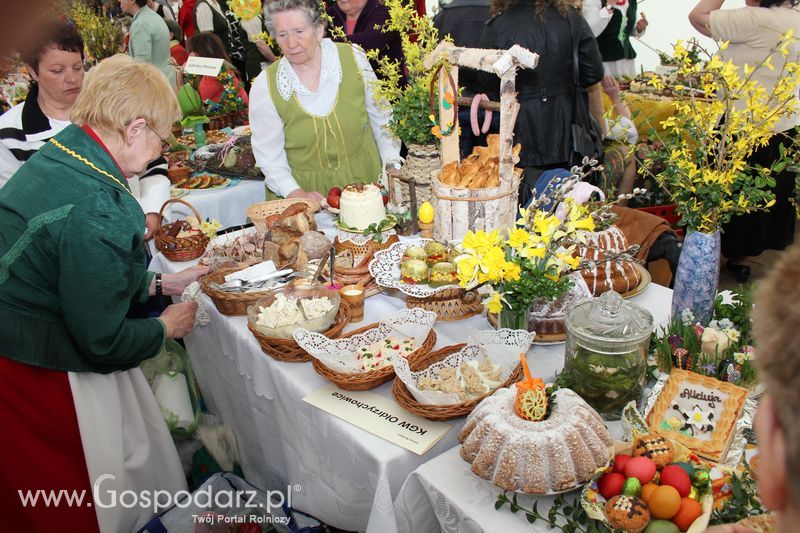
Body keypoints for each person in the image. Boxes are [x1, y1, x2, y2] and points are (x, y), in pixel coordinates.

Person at [0, 54, 208, 533]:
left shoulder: (70, 148)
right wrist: (164, 326)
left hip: (24, 331)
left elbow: (73, 267)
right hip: (38, 363)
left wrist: (157, 282)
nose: (163, 147)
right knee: (82, 494)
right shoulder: (100, 205)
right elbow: (101, 339)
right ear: (134, 129)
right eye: (161, 135)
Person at [689, 0, 800, 282]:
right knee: (759, 199)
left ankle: (709, 259)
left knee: (722, 196)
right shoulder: (795, 17)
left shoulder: (753, 19)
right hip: (782, 125)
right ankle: (742, 259)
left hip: (741, 125)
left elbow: (698, 16)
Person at [250, 0, 401, 201]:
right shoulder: (266, 85)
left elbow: (382, 120)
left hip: (366, 187)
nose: (291, 43)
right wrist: (294, 192)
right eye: (282, 35)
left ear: (319, 30)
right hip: (305, 195)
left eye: (299, 32)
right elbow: (269, 157)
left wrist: (391, 163)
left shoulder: (353, 58)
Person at [478, 0, 604, 197]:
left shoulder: (498, 26)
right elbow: (593, 73)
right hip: (569, 138)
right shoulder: (572, 19)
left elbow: (488, 82)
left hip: (519, 139)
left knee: (525, 211)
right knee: (573, 207)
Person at [0, 21, 83, 186]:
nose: (72, 79)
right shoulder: (9, 134)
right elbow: (13, 199)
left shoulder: (107, 112)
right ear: (33, 72)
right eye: (57, 71)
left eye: (78, 67)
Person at [326, 0, 404, 78]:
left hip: (383, 87)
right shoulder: (330, 14)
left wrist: (325, 43)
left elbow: (370, 41)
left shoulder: (384, 13)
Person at [122, 0, 178, 89]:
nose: (119, 1)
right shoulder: (154, 17)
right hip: (167, 80)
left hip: (155, 87)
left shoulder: (140, 23)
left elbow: (142, 65)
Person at [587, 0, 648, 77]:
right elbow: (589, 30)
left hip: (627, 57)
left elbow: (627, 30)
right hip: (605, 59)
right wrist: (608, 6)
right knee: (608, 87)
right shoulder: (594, 1)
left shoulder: (631, 2)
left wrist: (639, 29)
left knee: (628, 87)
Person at [187, 31, 249, 105]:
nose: (190, 55)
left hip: (232, 115)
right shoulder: (221, 68)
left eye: (194, 51)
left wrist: (179, 79)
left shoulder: (216, 71)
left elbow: (193, 102)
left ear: (205, 53)